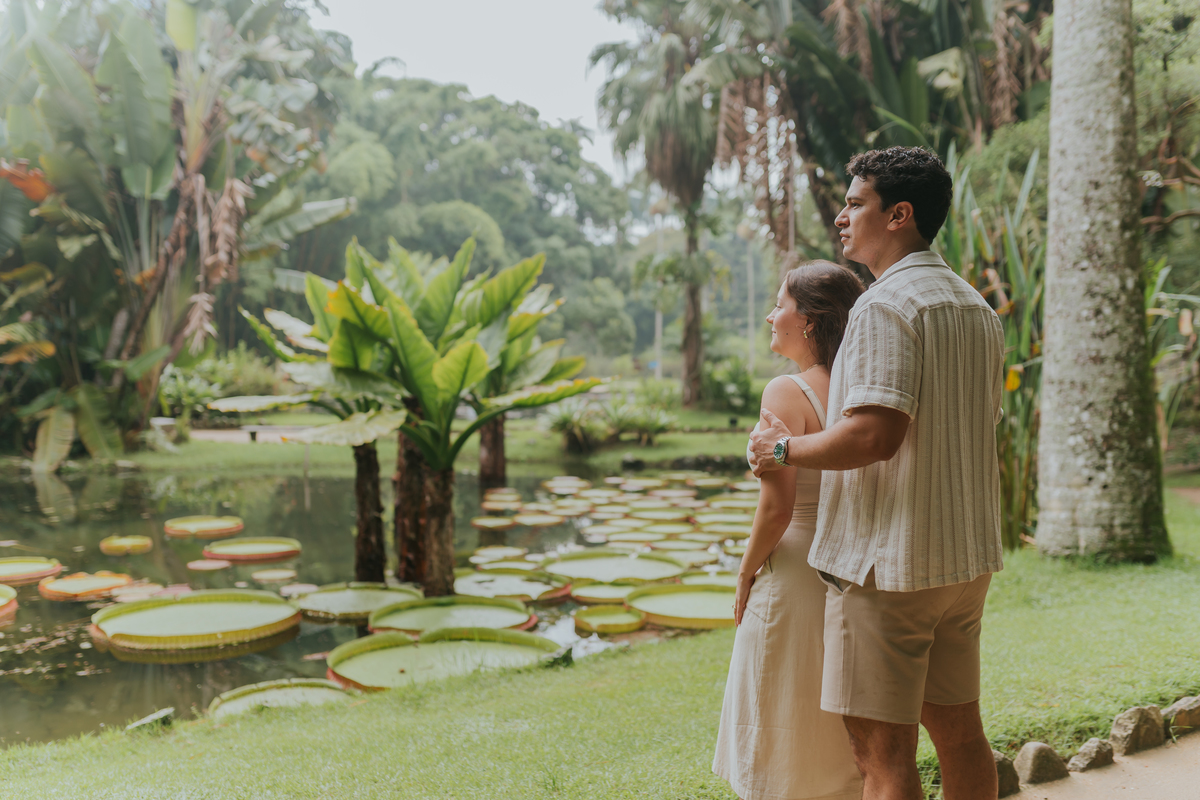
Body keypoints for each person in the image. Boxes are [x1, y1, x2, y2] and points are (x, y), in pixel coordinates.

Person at [748, 146, 1006, 800]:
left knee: (881, 756)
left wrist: (781, 453)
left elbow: (874, 434)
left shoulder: (885, 306)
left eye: (855, 203)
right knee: (961, 734)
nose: (840, 217)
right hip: (962, 560)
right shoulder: (975, 307)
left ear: (899, 214)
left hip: (889, 568)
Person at [713, 260, 865, 800]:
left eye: (781, 304)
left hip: (795, 562)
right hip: (846, 561)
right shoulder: (860, 388)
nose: (770, 315)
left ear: (809, 321)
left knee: (777, 707)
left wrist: (745, 571)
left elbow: (776, 508)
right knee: (828, 711)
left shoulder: (785, 391)